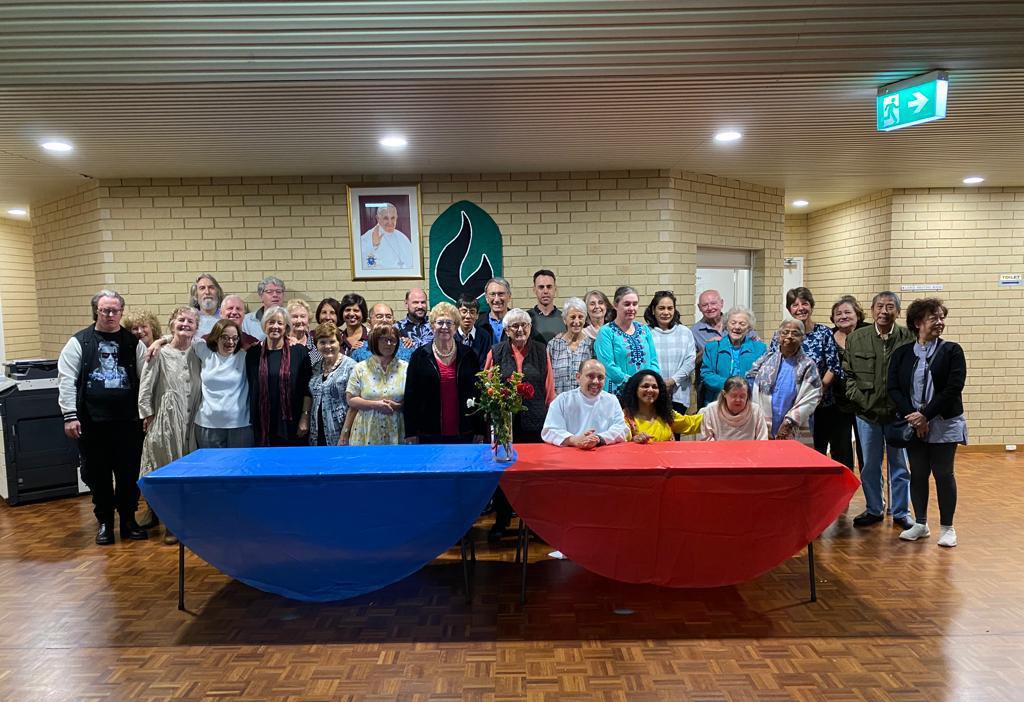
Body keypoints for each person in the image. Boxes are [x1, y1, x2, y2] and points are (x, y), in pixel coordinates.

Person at [57, 289, 147, 545]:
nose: (110, 314)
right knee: (98, 476)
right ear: (96, 311)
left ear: (121, 312)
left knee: (129, 475)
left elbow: (146, 380)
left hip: (128, 424)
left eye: (115, 310)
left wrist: (147, 414)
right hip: (91, 424)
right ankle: (105, 523)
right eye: (105, 310)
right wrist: (69, 415)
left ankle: (128, 520)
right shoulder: (80, 342)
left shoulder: (133, 343)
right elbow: (66, 380)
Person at [887, 298, 966, 547]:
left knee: (943, 473)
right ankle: (920, 523)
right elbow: (893, 388)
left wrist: (926, 416)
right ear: (917, 323)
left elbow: (953, 388)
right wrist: (913, 416)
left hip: (943, 422)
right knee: (918, 473)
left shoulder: (952, 351)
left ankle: (947, 528)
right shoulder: (902, 353)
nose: (940, 322)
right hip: (913, 423)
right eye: (934, 318)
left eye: (942, 317)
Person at [843, 291, 915, 529]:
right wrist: (859, 399)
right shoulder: (857, 337)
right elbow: (848, 373)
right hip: (867, 414)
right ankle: (874, 508)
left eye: (890, 307)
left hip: (898, 415)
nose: (884, 311)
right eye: (880, 306)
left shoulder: (908, 337)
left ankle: (901, 511)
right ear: (872, 310)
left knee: (900, 466)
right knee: (870, 465)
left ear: (898, 312)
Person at [484, 308, 556, 539]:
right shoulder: (496, 351)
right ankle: (502, 521)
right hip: (505, 423)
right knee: (503, 474)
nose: (520, 329)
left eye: (524, 325)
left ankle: (535, 525)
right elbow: (487, 386)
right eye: (514, 326)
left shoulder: (541, 350)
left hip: (535, 421)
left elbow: (549, 388)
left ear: (530, 328)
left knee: (534, 475)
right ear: (506, 330)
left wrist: (548, 417)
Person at [138, 306, 202, 545]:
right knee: (165, 469)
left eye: (190, 322)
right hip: (167, 420)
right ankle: (169, 521)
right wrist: (147, 414)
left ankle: (184, 519)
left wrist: (161, 338)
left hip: (193, 420)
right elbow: (146, 386)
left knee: (188, 473)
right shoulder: (160, 353)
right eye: (181, 320)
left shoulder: (199, 350)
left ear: (196, 328)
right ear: (172, 323)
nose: (185, 324)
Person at [767, 288, 842, 453]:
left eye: (805, 303)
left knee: (816, 451)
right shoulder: (780, 334)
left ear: (811, 306)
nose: (800, 308)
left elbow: (833, 366)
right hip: (788, 405)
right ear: (789, 309)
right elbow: (772, 364)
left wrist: (815, 392)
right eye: (795, 305)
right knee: (787, 452)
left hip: (819, 404)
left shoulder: (823, 333)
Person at [403, 302, 481, 444]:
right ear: (432, 326)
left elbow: (478, 392)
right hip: (428, 432)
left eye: (449, 323)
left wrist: (479, 429)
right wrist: (411, 432)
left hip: (464, 431)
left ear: (455, 327)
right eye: (440, 322)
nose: (444, 327)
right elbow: (410, 397)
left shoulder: (469, 355)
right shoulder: (419, 356)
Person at [245, 305, 312, 446]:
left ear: (286, 327)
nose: (275, 326)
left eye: (280, 323)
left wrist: (305, 416)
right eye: (271, 322)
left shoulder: (299, 352)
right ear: (264, 325)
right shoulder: (253, 353)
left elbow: (307, 388)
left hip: (292, 422)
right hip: (262, 423)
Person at [748, 320, 823, 440]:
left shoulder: (808, 365)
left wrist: (790, 422)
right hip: (764, 423)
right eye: (785, 332)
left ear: (802, 338)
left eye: (795, 333)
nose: (789, 336)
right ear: (778, 337)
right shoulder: (765, 360)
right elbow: (752, 385)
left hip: (793, 425)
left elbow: (812, 395)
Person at [193, 319, 252, 449]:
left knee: (239, 462)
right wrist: (159, 342)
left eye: (235, 338)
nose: (230, 342)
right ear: (216, 337)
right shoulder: (205, 352)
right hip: (207, 424)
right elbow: (184, 337)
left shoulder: (244, 356)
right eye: (225, 337)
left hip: (240, 425)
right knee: (212, 463)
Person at [542, 359, 628, 448]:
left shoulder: (612, 400)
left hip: (601, 451)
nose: (596, 381)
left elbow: (622, 429)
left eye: (600, 377)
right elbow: (550, 430)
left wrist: (598, 439)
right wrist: (575, 440)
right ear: (578, 377)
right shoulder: (562, 400)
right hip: (570, 451)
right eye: (591, 376)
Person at [345, 324, 408, 445]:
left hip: (397, 430)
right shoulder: (360, 368)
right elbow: (351, 399)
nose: (389, 344)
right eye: (384, 339)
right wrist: (375, 405)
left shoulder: (406, 368)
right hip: (366, 430)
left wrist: (399, 406)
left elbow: (413, 399)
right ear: (374, 341)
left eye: (393, 340)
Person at [827, 295, 870, 469]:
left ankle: (872, 486)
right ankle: (844, 484)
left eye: (847, 312)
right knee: (840, 449)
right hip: (837, 402)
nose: (843, 316)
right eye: (838, 314)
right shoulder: (828, 336)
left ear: (857, 314)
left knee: (867, 450)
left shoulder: (869, 333)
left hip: (866, 401)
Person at [594, 286, 660, 394]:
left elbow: (654, 361)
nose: (632, 308)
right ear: (616, 305)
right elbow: (608, 366)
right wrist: (634, 383)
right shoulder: (606, 332)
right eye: (627, 304)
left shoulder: (644, 330)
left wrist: (649, 382)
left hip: (645, 393)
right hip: (618, 393)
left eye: (635, 304)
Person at [699, 306, 766, 406]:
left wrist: (743, 388)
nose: (737, 327)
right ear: (726, 325)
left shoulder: (760, 349)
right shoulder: (713, 348)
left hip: (748, 402)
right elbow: (706, 374)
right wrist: (731, 386)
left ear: (749, 328)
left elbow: (763, 376)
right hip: (718, 402)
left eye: (742, 324)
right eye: (733, 323)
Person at [645, 290, 696, 414]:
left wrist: (672, 381)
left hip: (679, 395)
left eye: (670, 308)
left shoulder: (685, 332)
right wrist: (659, 384)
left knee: (675, 426)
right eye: (661, 308)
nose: (666, 312)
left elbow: (690, 362)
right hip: (652, 392)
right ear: (653, 310)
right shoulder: (645, 333)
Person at [307, 322, 357, 447]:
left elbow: (354, 405)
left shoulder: (351, 367)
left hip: (341, 430)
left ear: (339, 342)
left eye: (332, 341)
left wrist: (345, 433)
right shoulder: (316, 367)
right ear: (317, 345)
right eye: (322, 342)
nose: (327, 346)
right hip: (317, 430)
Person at [619, 370, 702, 443]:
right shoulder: (625, 417)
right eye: (645, 386)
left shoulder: (666, 414)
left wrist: (710, 410)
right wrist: (634, 441)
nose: (650, 390)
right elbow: (620, 440)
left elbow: (691, 424)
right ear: (635, 389)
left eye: (654, 387)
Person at [547, 298, 594, 395]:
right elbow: (548, 378)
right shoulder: (553, 345)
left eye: (580, 317)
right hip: (559, 401)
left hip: (585, 400)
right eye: (572, 317)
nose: (577, 321)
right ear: (564, 320)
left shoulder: (592, 345)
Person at [699, 376, 769, 441]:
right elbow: (706, 440)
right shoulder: (710, 411)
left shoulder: (755, 411)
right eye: (734, 396)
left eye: (742, 396)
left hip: (751, 450)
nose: (738, 400)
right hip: (717, 450)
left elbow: (763, 440)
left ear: (747, 395)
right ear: (724, 394)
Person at [360, 203, 413, 270]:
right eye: (386, 218)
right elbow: (361, 265)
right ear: (378, 218)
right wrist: (373, 246)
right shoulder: (367, 238)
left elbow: (412, 262)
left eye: (393, 218)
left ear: (396, 217)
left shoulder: (402, 237)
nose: (390, 222)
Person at [241, 275, 286, 340]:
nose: (275, 295)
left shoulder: (292, 318)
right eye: (269, 292)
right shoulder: (246, 321)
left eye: (278, 291)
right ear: (261, 296)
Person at [528, 269, 566, 343]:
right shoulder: (526, 319)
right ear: (534, 290)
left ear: (555, 289)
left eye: (549, 287)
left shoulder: (565, 319)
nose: (545, 291)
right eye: (541, 287)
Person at [454, 294, 491, 368]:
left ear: (477, 315)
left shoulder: (484, 336)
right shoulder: (450, 335)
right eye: (464, 311)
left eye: (472, 312)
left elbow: (485, 364)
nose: (468, 316)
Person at [286, 298, 320, 365]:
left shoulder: (316, 344)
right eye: (295, 317)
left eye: (302, 316)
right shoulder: (282, 343)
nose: (299, 321)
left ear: (308, 320)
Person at [338, 292, 369, 356]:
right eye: (347, 310)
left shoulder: (371, 336)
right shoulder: (337, 339)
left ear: (363, 313)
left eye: (356, 310)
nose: (351, 314)